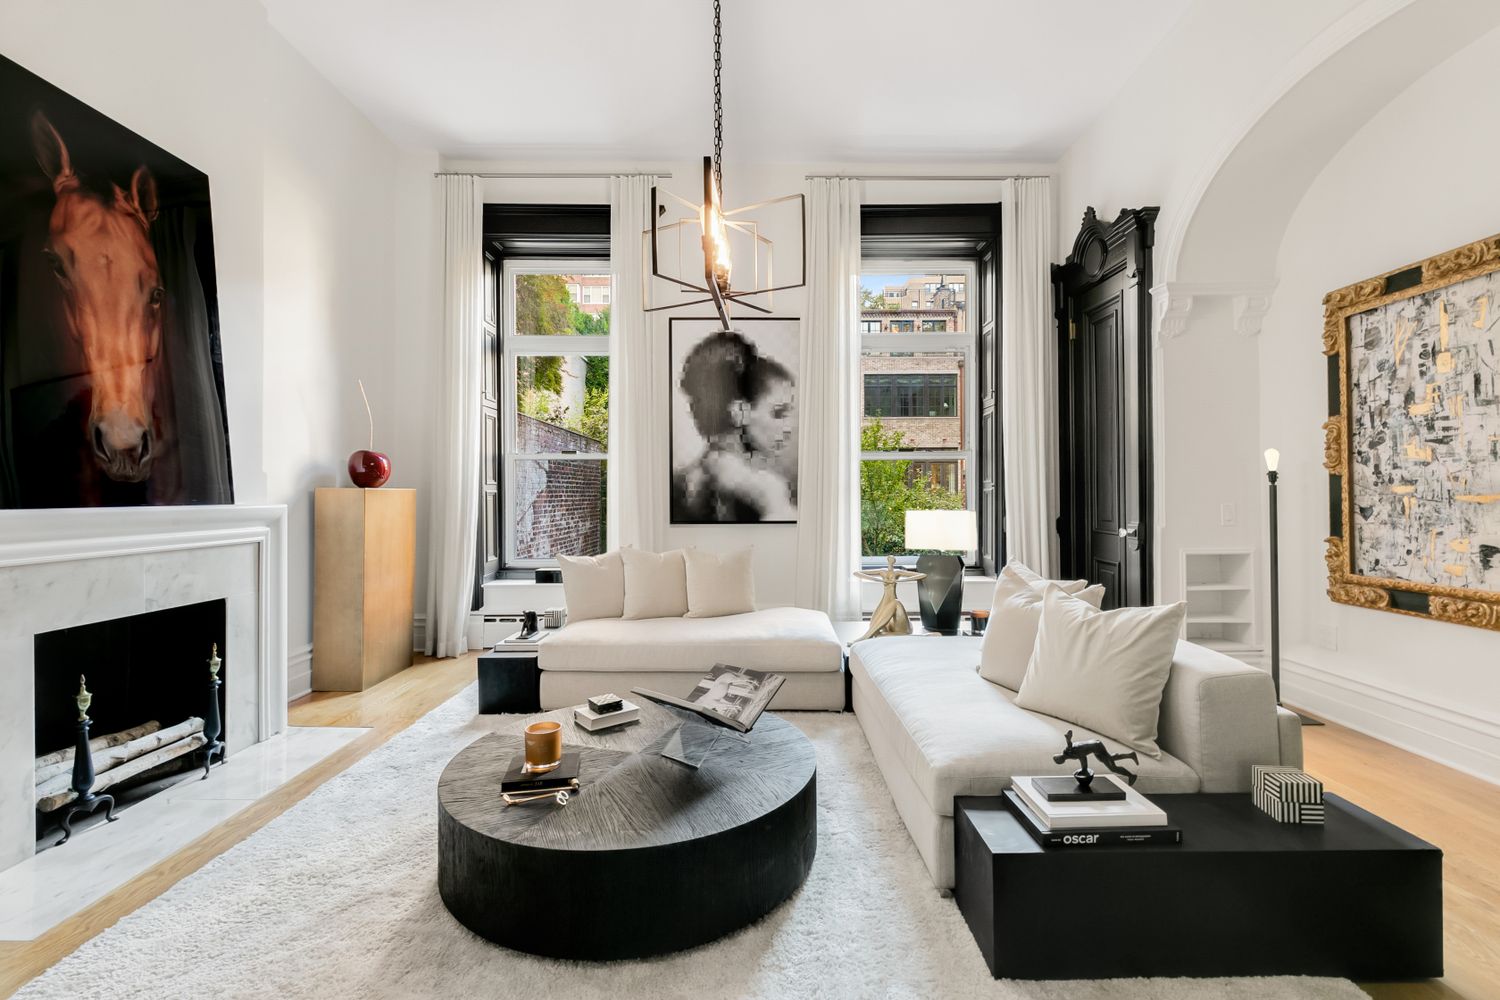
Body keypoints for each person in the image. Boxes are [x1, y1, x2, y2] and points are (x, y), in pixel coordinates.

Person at [672, 329, 797, 522]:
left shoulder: (682, 480)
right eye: (778, 413)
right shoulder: (766, 490)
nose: (789, 427)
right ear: (739, 410)